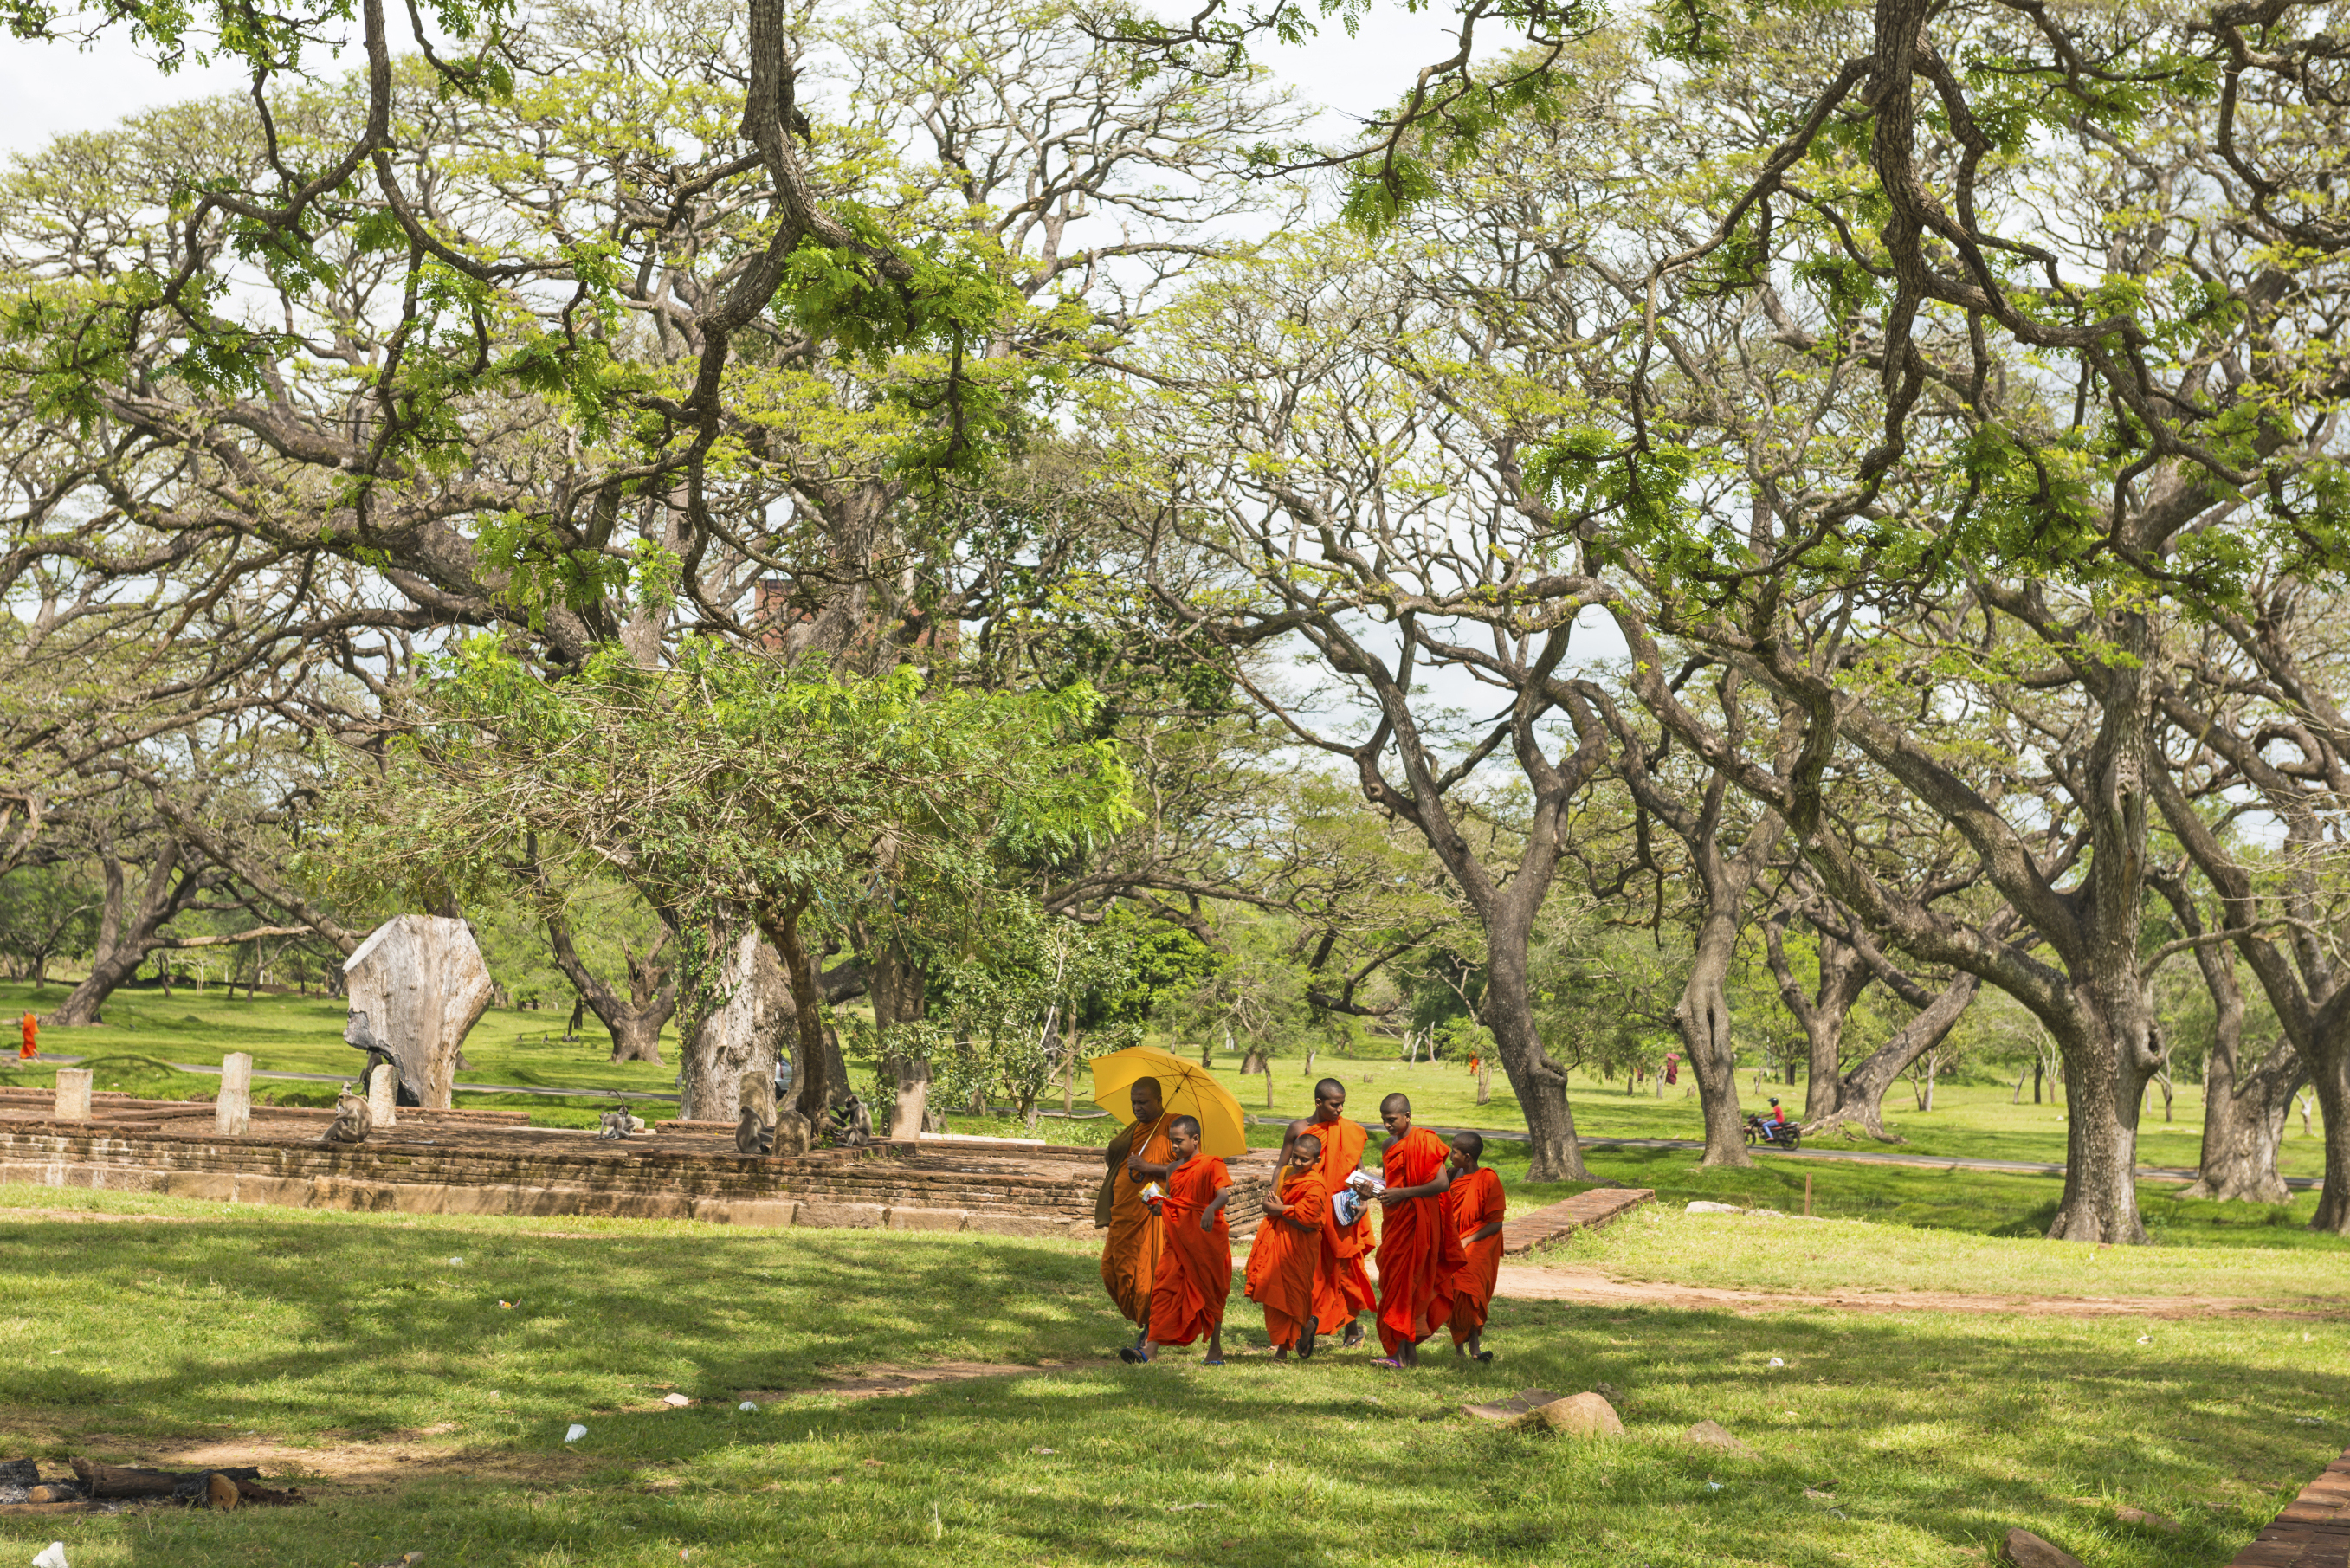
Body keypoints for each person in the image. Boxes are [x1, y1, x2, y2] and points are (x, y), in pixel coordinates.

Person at [1128, 1113, 1232, 1365]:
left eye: (1179, 1141)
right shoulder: (1174, 1169)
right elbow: (1176, 1203)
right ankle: (1150, 1351)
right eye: (1171, 1142)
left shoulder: (1212, 1163)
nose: (1174, 1147)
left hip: (1207, 1241)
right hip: (1177, 1242)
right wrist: (1158, 1206)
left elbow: (1223, 1195)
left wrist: (1210, 1208)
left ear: (1195, 1139)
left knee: (1212, 1295)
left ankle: (1215, 1350)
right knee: (1163, 1291)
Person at [1370, 1093, 1464, 1368]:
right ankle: (1408, 1355)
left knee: (1406, 1287)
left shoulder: (1425, 1142)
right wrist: (1371, 1188)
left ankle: (1397, 1357)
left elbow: (1440, 1185)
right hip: (1396, 1224)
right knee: (1395, 1285)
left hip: (1419, 1226)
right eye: (1384, 1120)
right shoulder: (1389, 1145)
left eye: (1392, 1120)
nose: (1387, 1125)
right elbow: (1391, 1183)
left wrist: (1403, 1194)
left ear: (1407, 1116)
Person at [1289, 1078, 1376, 1347]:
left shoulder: (1349, 1131)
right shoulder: (1299, 1129)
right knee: (1309, 1269)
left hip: (1341, 1211)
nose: (1340, 1110)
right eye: (1334, 1105)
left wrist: (1364, 1201)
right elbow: (1282, 1166)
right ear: (1318, 1102)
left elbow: (1357, 1170)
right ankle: (1305, 1323)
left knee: (1345, 1269)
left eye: (1342, 1105)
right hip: (1309, 1209)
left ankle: (1350, 1330)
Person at [1097, 1078, 1176, 1353]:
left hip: (1152, 1203)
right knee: (1111, 1269)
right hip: (1124, 1209)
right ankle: (1147, 1323)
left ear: (1158, 1099)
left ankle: (1151, 1330)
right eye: (1134, 1102)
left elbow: (1189, 1166)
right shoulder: (1136, 1128)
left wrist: (1148, 1165)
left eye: (1143, 1102)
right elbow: (1117, 1157)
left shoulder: (1172, 1127)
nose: (1137, 1107)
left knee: (1146, 1270)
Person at [1244, 1130, 1327, 1360]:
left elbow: (1309, 1223)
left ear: (1316, 1161)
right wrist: (1279, 1210)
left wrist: (1281, 1210)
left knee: (1294, 1293)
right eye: (1296, 1157)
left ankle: (1288, 1346)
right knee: (1276, 1295)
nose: (1298, 1162)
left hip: (1300, 1246)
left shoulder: (1315, 1185)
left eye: (1305, 1159)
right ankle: (1292, 1337)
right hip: (1277, 1241)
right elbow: (1268, 1203)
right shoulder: (1284, 1174)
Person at [1443, 1132, 1506, 1363]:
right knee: (1454, 1291)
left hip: (1477, 1242)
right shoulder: (1452, 1174)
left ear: (1467, 1156)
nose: (1451, 1155)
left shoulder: (1488, 1179)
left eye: (1455, 1152)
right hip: (1454, 1240)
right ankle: (1461, 1349)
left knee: (1469, 1290)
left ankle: (1475, 1348)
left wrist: (1468, 1240)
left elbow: (1496, 1222)